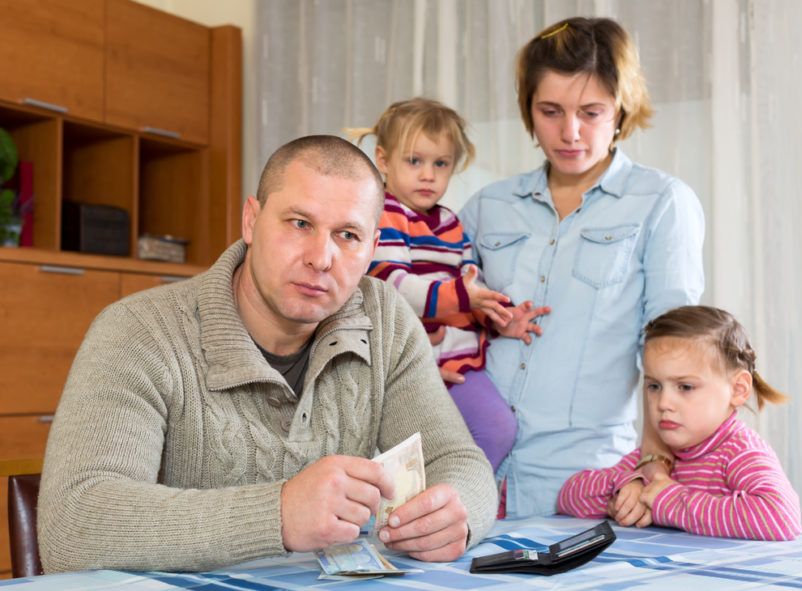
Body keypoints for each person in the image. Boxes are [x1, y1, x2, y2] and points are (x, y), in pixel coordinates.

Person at [37, 135, 498, 574]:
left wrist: (458, 513)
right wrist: (277, 514)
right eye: (300, 224)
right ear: (251, 221)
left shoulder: (386, 319)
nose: (321, 258)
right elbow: (72, 527)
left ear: (372, 248)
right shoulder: (139, 332)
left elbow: (458, 460)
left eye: (348, 236)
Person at [456, 17, 705, 517]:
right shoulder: (487, 207)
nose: (570, 133)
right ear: (528, 110)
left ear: (620, 109)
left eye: (591, 112)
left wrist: (656, 463)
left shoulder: (661, 203)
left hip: (584, 483)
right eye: (551, 111)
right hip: (467, 469)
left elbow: (671, 355)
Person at [348, 98, 548, 470]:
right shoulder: (385, 215)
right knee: (419, 450)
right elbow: (391, 284)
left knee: (495, 430)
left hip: (455, 362)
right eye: (415, 161)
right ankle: (445, 504)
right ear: (384, 160)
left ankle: (457, 502)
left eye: (440, 164)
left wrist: (499, 318)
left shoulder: (451, 224)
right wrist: (461, 297)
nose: (428, 175)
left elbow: (472, 285)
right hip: (407, 362)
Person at [557, 305, 802, 541]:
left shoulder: (740, 452)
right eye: (654, 386)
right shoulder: (654, 459)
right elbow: (568, 498)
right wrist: (623, 488)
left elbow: (780, 516)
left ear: (738, 389)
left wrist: (671, 501)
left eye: (685, 387)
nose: (663, 403)